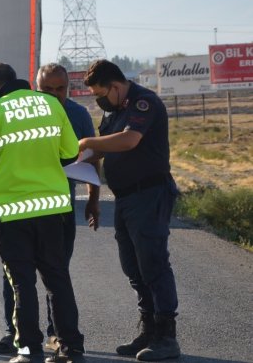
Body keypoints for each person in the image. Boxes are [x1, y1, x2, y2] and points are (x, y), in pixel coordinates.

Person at [0, 63, 85, 363]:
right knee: (58, 279)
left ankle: (28, 350)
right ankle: (71, 349)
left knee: (22, 283)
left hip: (13, 212)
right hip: (54, 209)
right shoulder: (50, 104)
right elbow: (70, 154)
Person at [0, 63, 102, 356]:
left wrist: (93, 198)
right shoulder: (16, 113)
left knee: (56, 276)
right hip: (17, 211)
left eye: (61, 88)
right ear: (36, 88)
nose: (55, 95)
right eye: (48, 89)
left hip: (57, 212)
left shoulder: (78, 116)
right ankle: (15, 333)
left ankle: (58, 337)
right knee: (17, 279)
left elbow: (91, 160)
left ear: (68, 87)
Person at [78, 59, 180, 361]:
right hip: (125, 199)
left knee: (154, 264)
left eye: (101, 93)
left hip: (149, 194)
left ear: (116, 86)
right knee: (133, 268)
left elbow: (129, 140)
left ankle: (166, 337)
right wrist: (78, 156)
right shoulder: (115, 111)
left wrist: (87, 141)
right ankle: (149, 331)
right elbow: (99, 150)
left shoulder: (143, 103)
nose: (100, 100)